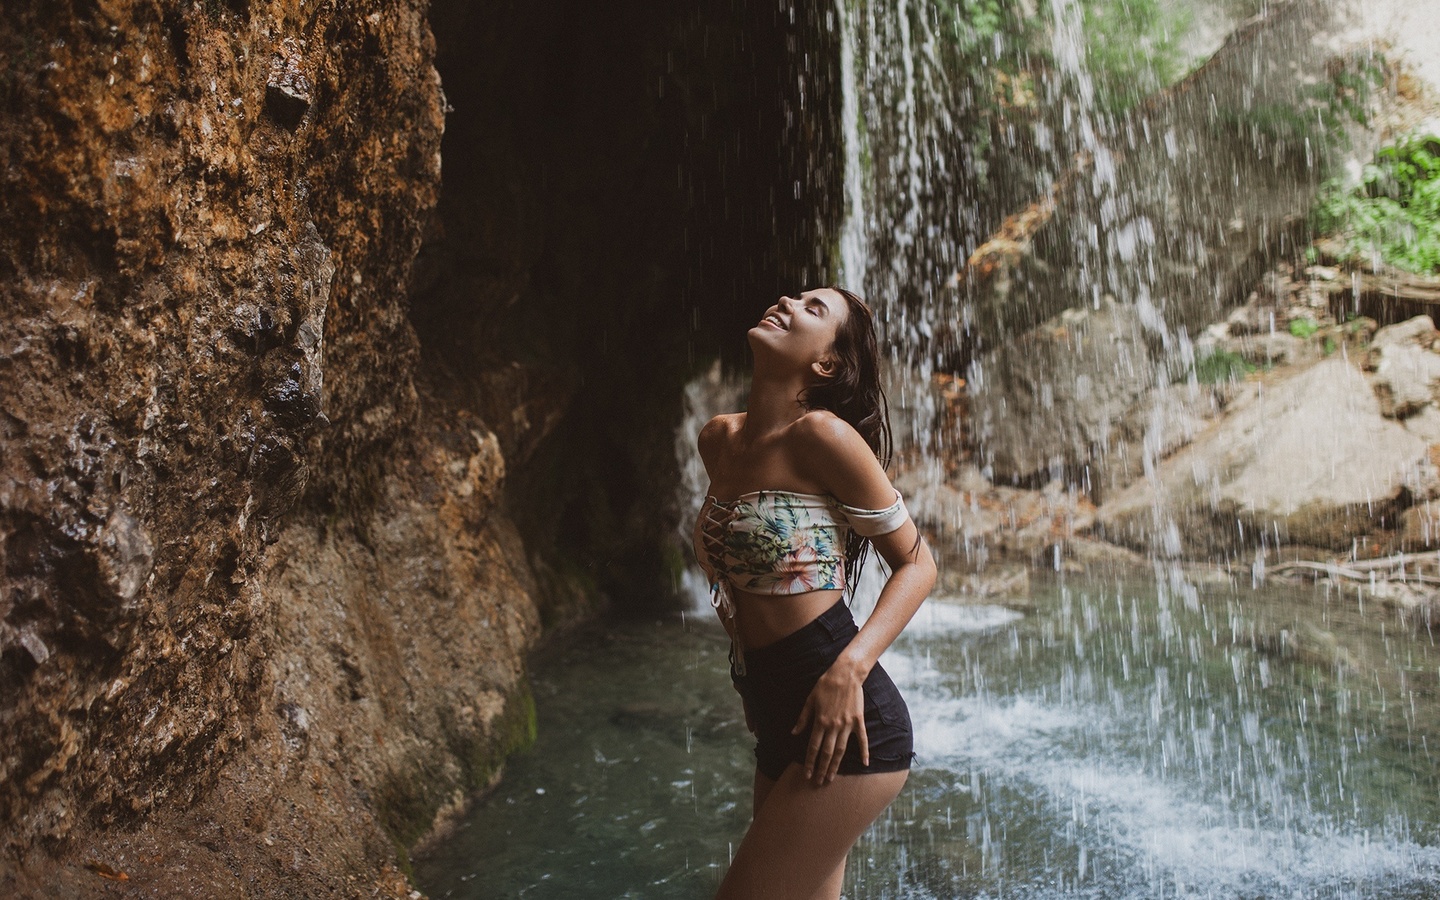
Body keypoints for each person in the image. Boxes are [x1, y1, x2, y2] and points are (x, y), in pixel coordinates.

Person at [693, 287, 937, 899]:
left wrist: (850, 670)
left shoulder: (823, 437)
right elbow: (735, 581)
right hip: (776, 709)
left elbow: (918, 565)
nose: (786, 300)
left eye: (813, 308)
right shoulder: (718, 440)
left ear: (824, 365)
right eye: (795, 296)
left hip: (849, 722)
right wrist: (747, 675)